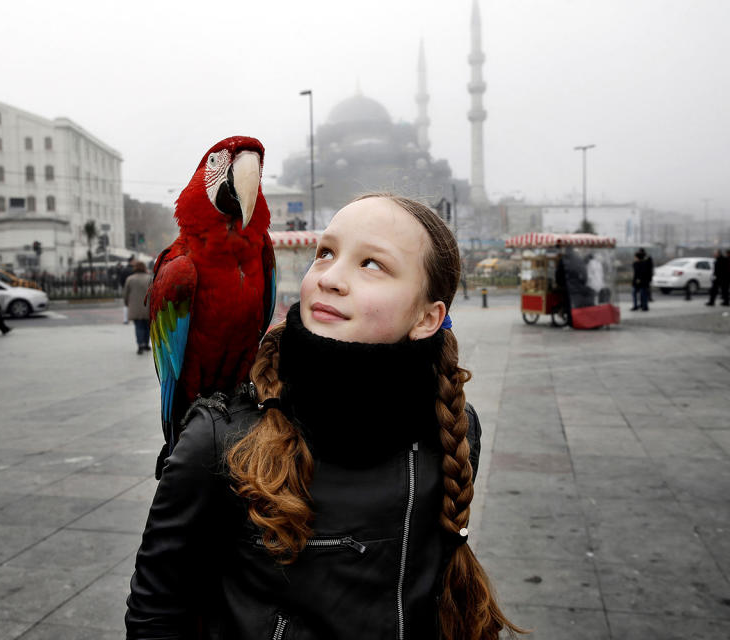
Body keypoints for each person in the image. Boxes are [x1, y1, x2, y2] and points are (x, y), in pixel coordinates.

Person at [125, 194, 524, 639]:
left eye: (372, 264)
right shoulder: (218, 437)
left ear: (428, 318)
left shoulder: (454, 428)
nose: (330, 277)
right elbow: (156, 614)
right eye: (326, 253)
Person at [123, 261, 153, 354]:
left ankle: (140, 345)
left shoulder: (130, 279)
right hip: (147, 307)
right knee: (147, 327)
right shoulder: (149, 278)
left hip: (135, 307)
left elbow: (125, 294)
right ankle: (146, 344)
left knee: (138, 327)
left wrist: (127, 303)